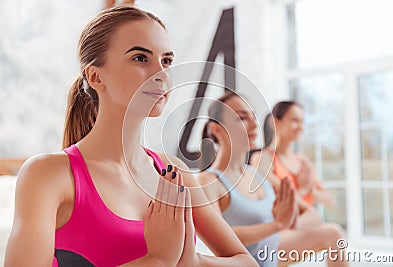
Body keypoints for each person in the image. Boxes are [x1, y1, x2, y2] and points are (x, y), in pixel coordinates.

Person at [5, 7, 258, 267]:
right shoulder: (48, 175)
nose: (161, 74)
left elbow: (246, 263)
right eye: (140, 58)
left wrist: (191, 261)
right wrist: (158, 260)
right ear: (95, 76)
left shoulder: (173, 173)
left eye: (167, 61)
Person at [197, 91, 298, 267]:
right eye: (242, 118)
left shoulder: (256, 174)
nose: (254, 124)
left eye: (254, 117)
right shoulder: (208, 181)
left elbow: (296, 211)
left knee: (331, 233)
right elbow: (218, 237)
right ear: (217, 129)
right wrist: (277, 225)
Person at [250, 101, 348, 267]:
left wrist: (309, 189)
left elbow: (330, 199)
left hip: (299, 229)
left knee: (334, 234)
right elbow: (281, 199)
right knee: (333, 233)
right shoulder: (262, 159)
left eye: (302, 122)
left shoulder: (302, 161)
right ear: (275, 122)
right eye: (294, 120)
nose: (300, 127)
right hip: (275, 235)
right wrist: (303, 190)